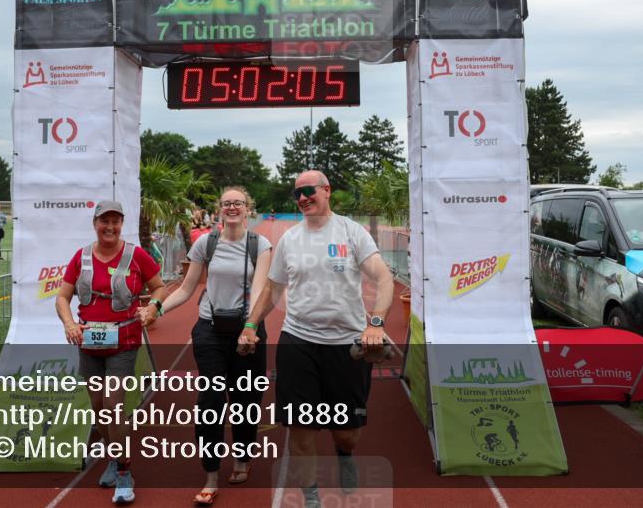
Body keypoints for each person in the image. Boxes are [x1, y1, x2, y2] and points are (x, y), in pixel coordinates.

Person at [238, 171, 394, 508]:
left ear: (326, 191)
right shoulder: (291, 240)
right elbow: (273, 288)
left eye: (309, 191)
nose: (303, 198)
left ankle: (343, 453)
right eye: (297, 194)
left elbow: (384, 278)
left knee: (347, 433)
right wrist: (251, 324)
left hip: (347, 346)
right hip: (298, 342)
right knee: (301, 430)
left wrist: (376, 324)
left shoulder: (352, 233)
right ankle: (311, 497)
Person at [151, 186, 272, 505]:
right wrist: (157, 308)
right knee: (210, 403)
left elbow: (261, 290)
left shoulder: (260, 244)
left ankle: (243, 459)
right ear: (220, 209)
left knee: (247, 402)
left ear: (248, 209)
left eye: (239, 203)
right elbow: (186, 288)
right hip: (210, 331)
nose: (232, 207)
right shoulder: (206, 242)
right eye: (227, 203)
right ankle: (211, 474)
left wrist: (250, 327)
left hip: (248, 332)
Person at [55, 200, 169, 505]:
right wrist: (69, 324)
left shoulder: (136, 255)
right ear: (95, 223)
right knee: (98, 409)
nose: (110, 227)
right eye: (104, 221)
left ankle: (124, 470)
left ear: (121, 224)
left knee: (112, 405)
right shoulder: (81, 257)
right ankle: (113, 455)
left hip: (124, 342)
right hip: (90, 342)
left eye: (115, 221)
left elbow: (160, 287)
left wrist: (153, 307)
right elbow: (63, 297)